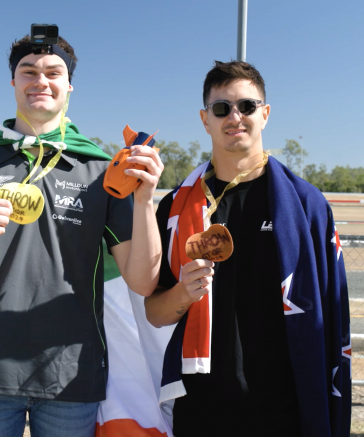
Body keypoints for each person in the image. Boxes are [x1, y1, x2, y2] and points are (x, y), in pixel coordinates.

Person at [0, 31, 164, 437]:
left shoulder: (101, 171)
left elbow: (144, 282)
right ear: (14, 83)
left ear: (69, 85)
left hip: (71, 376)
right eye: (29, 71)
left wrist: (145, 201)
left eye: (53, 72)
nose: (41, 80)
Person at [145, 60, 351, 436]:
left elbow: (332, 313)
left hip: (284, 408)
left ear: (265, 113)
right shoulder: (175, 208)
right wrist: (181, 293)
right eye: (221, 108)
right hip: (202, 407)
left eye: (247, 106)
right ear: (205, 119)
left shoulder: (306, 206)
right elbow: (155, 313)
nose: (234, 117)